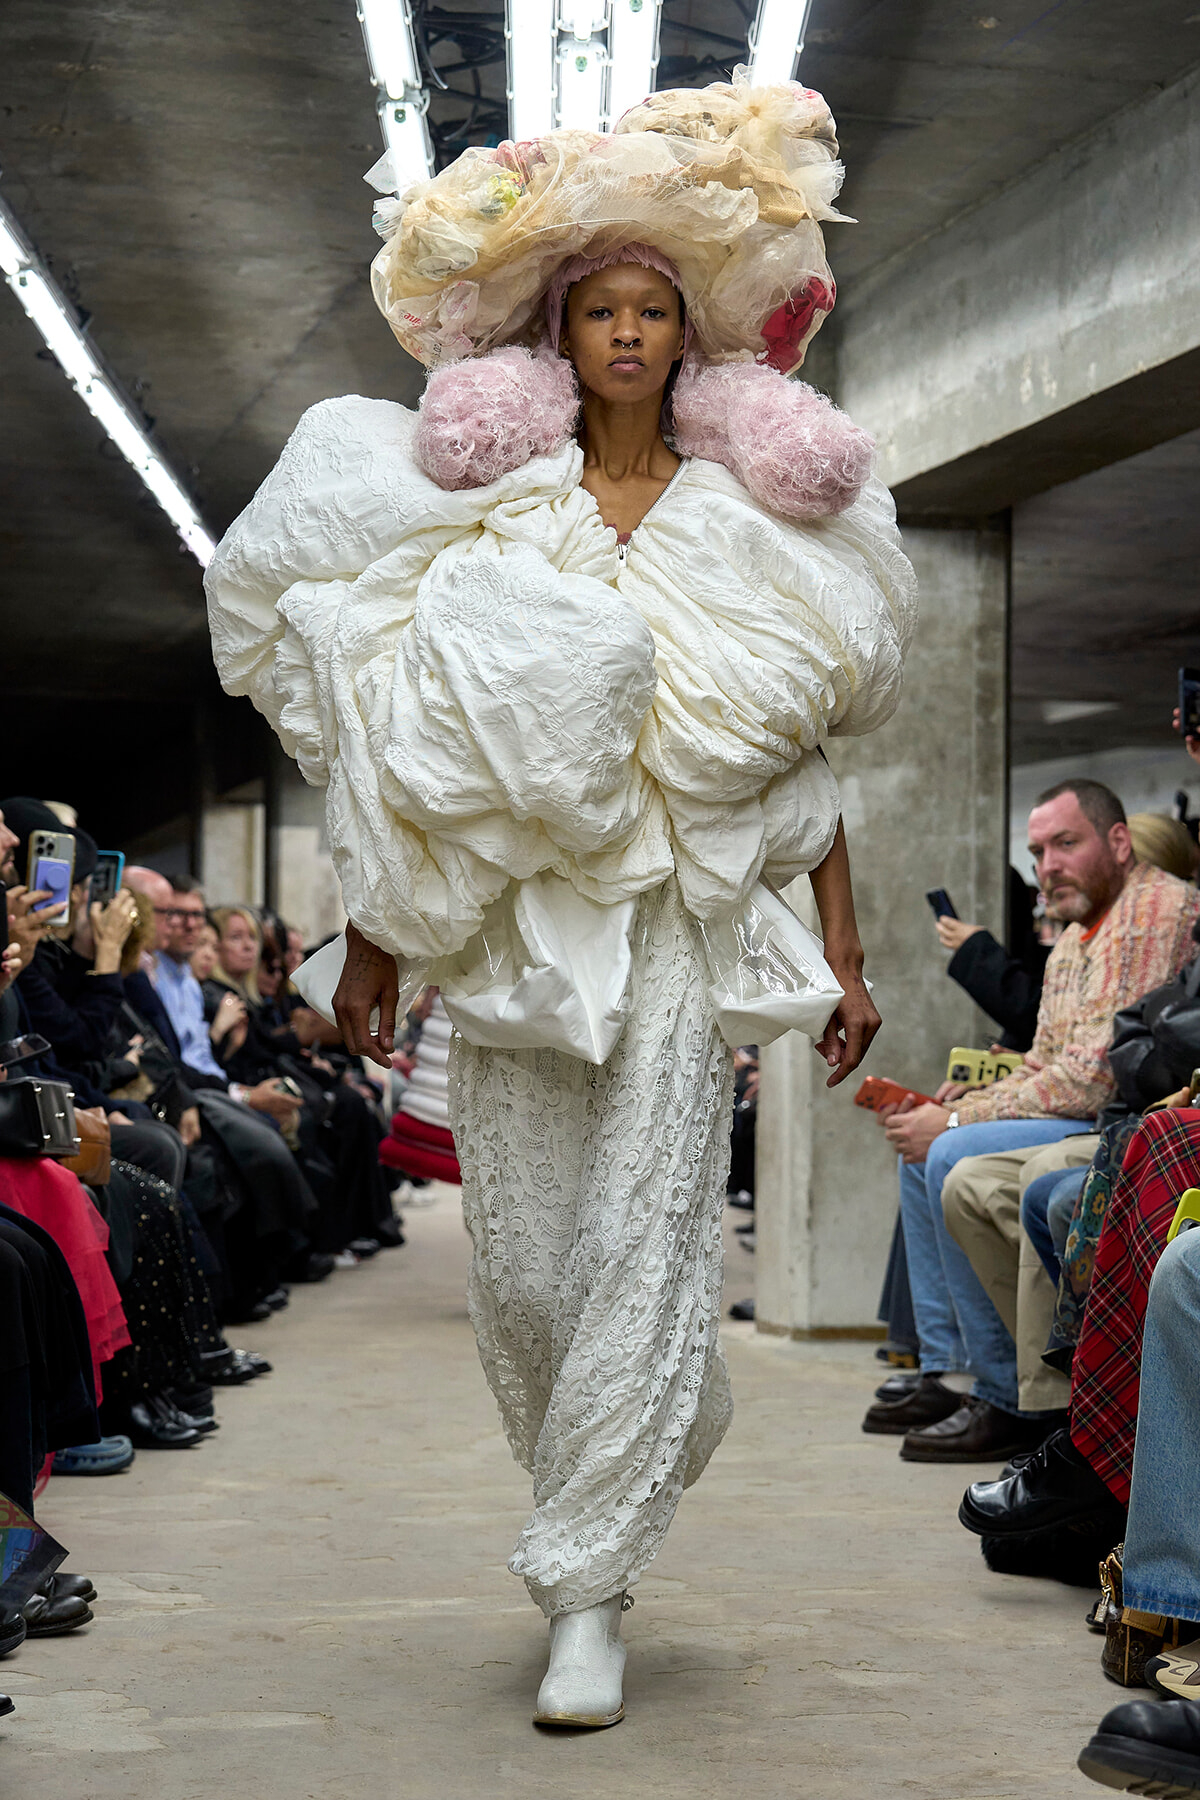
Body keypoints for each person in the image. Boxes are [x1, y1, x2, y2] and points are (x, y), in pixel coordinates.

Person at [206, 75, 916, 1729]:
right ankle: (616, 1463)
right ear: (555, 329)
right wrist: (373, 936)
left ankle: (586, 1586)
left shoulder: (744, 520)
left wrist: (849, 950)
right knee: (524, 1266)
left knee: (639, 1235)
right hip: (519, 934)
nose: (623, 332)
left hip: (669, 929)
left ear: (689, 336)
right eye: (595, 307)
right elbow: (419, 746)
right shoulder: (493, 508)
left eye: (651, 308)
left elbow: (794, 751)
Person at [869, 780, 1200, 1461]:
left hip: (1132, 1125)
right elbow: (1045, 1061)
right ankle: (951, 1368)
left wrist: (956, 1120)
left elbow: (1096, 1079)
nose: (1047, 865)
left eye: (1065, 844)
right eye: (1037, 851)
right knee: (929, 1155)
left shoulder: (1156, 910)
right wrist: (953, 1110)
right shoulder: (1079, 933)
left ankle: (1005, 1391)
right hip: (1086, 1116)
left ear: (1117, 841)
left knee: (947, 1154)